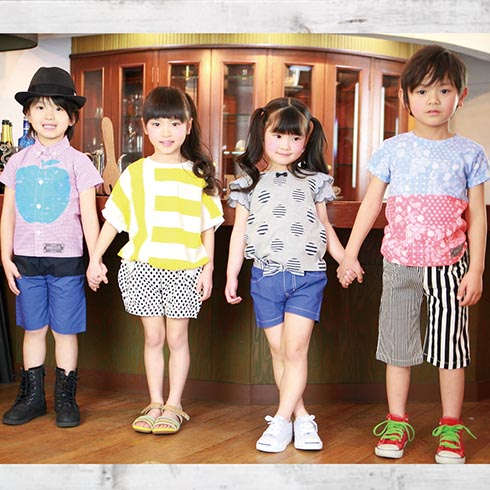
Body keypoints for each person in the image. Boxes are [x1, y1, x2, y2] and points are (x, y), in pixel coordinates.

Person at [338, 45, 488, 464]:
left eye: (444, 90)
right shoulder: (393, 149)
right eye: (422, 91)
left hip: (450, 266)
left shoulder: (471, 152)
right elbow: (371, 204)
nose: (433, 100)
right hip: (399, 263)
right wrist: (349, 254)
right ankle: (397, 421)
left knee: (450, 349)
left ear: (461, 95)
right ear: (405, 98)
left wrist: (476, 269)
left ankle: (451, 428)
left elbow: (477, 215)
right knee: (397, 346)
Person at [225, 97, 361, 453]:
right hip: (265, 277)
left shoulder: (315, 181)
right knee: (279, 350)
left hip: (307, 276)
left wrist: (345, 259)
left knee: (296, 349)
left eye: (295, 137)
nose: (286, 144)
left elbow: (325, 228)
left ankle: (280, 420)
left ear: (306, 139)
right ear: (262, 134)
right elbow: (239, 234)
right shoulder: (246, 184)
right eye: (278, 135)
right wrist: (231, 275)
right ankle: (300, 418)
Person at [87, 86, 223, 435]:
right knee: (152, 338)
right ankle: (154, 402)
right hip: (142, 267)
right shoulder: (135, 173)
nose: (166, 132)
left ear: (188, 126)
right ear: (145, 128)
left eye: (175, 124)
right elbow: (113, 221)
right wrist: (95, 258)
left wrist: (208, 269)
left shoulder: (198, 175)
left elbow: (208, 228)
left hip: (185, 270)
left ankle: (174, 405)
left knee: (177, 338)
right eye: (158, 123)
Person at [0, 67, 103, 428]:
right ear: (27, 114)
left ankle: (65, 398)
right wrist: (5, 257)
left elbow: (90, 217)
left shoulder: (80, 163)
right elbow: (8, 214)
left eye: (59, 108)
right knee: (33, 329)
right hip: (26, 261)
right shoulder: (16, 163)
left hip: (67, 262)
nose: (49, 115)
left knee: (64, 330)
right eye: (41, 107)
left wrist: (95, 259)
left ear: (71, 118)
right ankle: (31, 398)